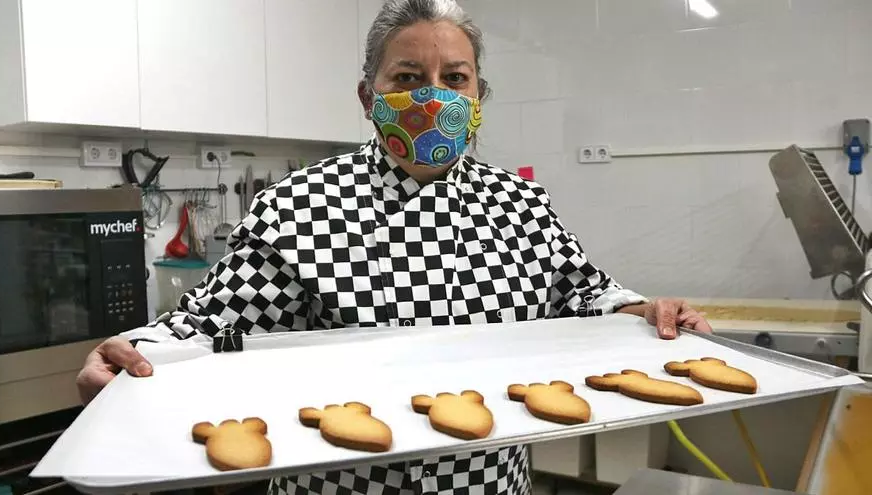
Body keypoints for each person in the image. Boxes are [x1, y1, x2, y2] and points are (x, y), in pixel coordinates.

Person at [76, 0, 713, 493]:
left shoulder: (520, 203)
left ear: (477, 98)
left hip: (487, 482)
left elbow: (583, 294)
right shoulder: (300, 205)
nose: (434, 96)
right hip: (339, 484)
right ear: (368, 97)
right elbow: (210, 325)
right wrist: (134, 352)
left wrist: (643, 311)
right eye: (408, 77)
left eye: (455, 78)